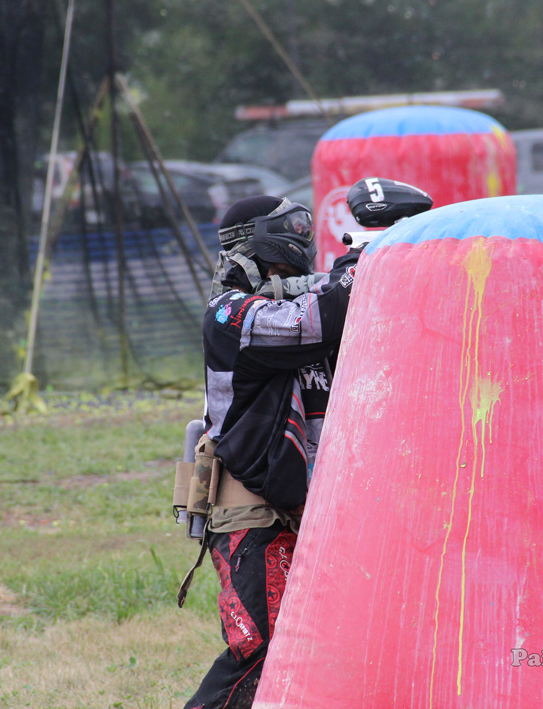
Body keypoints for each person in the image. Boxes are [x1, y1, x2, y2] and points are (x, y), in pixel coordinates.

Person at [183, 195, 360, 709]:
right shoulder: (229, 313)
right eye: (281, 257)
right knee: (261, 649)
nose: (297, 255)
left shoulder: (315, 301)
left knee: (332, 648)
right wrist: (365, 262)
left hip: (316, 510)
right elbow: (314, 320)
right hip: (255, 512)